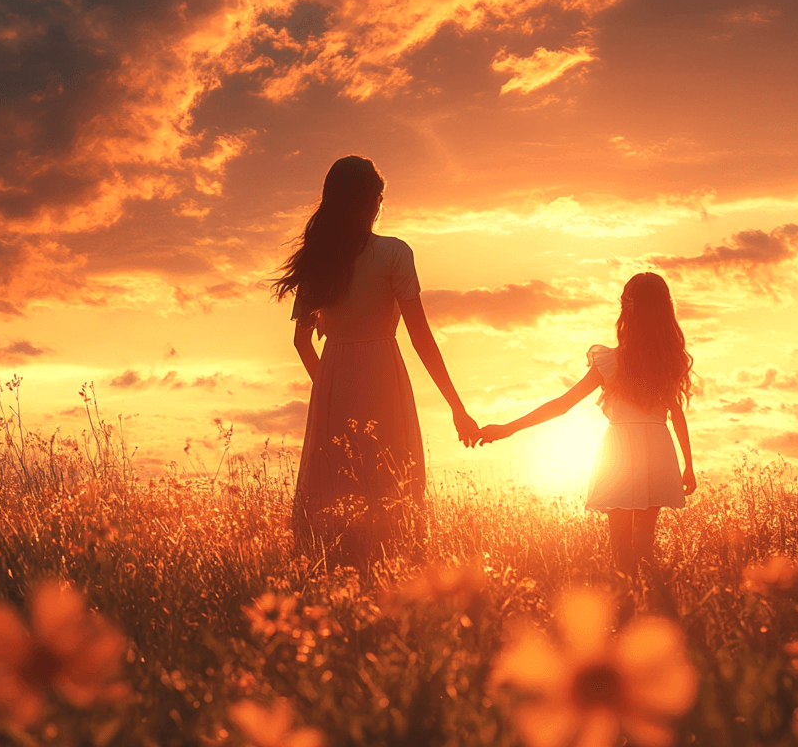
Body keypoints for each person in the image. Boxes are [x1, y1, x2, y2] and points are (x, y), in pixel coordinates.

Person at [272, 156, 478, 563]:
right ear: (375, 201)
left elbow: (300, 343)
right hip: (385, 379)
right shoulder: (394, 253)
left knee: (332, 492)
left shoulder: (318, 261)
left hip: (333, 384)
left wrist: (331, 387)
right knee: (390, 487)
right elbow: (421, 337)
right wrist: (458, 408)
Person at [478, 272, 696, 583]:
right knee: (645, 546)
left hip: (622, 451)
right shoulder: (669, 361)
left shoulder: (610, 361)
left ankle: (626, 615)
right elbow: (676, 414)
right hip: (659, 449)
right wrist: (688, 465)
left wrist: (509, 428)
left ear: (627, 310)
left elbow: (562, 404)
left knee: (622, 550)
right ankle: (655, 615)